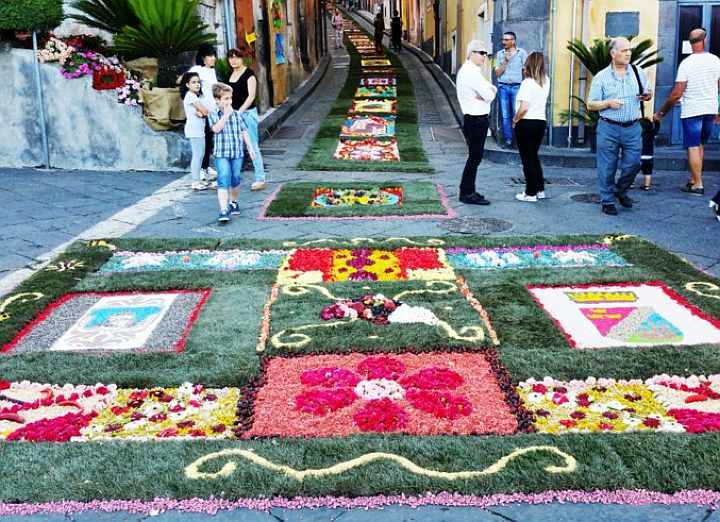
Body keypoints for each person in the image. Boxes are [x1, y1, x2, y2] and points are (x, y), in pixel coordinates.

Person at [587, 37, 652, 216]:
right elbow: (590, 104)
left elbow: (647, 92)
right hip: (608, 127)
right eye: (624, 50)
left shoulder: (638, 72)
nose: (628, 53)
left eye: (629, 50)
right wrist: (607, 103)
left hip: (632, 127)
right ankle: (607, 200)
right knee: (607, 166)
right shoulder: (601, 77)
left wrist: (647, 96)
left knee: (634, 163)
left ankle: (620, 191)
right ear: (613, 53)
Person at [654, 28, 720, 196]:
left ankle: (698, 184)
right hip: (710, 108)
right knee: (700, 145)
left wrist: (661, 112)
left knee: (692, 146)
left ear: (690, 43)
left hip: (692, 110)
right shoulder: (716, 60)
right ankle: (694, 178)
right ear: (705, 40)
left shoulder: (687, 64)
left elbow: (676, 93)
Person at [456, 40, 497, 205]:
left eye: (486, 53)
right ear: (471, 53)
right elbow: (490, 95)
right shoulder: (470, 72)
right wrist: (487, 93)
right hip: (475, 120)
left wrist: (488, 91)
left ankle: (468, 190)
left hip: (475, 119)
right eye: (481, 53)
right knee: (475, 157)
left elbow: (491, 89)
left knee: (475, 157)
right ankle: (466, 192)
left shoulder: (472, 71)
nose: (484, 57)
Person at [227, 48, 266, 191]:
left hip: (247, 114)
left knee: (252, 146)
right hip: (233, 115)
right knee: (234, 147)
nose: (233, 60)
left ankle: (260, 178)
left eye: (236, 57)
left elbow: (251, 96)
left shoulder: (249, 74)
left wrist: (240, 112)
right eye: (231, 57)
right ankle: (231, 177)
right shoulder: (231, 74)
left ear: (242, 58)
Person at [512, 52, 550, 203]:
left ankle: (530, 193)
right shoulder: (546, 81)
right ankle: (540, 189)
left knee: (527, 159)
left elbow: (523, 108)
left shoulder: (527, 83)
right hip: (540, 122)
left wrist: (515, 120)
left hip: (526, 122)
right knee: (534, 157)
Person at [208, 83, 247, 224]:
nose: (229, 102)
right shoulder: (213, 115)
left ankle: (233, 201)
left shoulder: (237, 115)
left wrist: (251, 149)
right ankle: (223, 210)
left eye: (230, 98)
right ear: (217, 100)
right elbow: (216, 129)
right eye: (225, 99)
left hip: (237, 152)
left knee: (235, 178)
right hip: (221, 153)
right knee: (223, 178)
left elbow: (244, 131)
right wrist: (225, 115)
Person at [189, 44, 219, 184]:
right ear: (203, 57)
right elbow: (184, 82)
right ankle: (200, 170)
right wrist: (194, 103)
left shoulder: (212, 71)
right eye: (210, 56)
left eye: (214, 55)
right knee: (202, 142)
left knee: (209, 141)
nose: (213, 58)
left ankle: (206, 167)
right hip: (202, 112)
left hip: (212, 112)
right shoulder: (197, 70)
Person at [494, 32, 527, 147]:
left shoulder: (522, 53)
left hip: (517, 87)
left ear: (513, 41)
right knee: (505, 115)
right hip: (503, 87)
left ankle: (519, 141)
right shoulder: (499, 54)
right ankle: (508, 140)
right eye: (503, 39)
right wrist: (506, 61)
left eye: (507, 40)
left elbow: (525, 71)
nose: (504, 42)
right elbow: (497, 73)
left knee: (517, 113)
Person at [180, 72, 209, 191]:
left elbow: (203, 113)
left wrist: (201, 114)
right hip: (194, 130)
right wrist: (202, 113)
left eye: (198, 82)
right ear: (187, 84)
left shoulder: (194, 96)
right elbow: (206, 111)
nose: (197, 84)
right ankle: (195, 181)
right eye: (193, 82)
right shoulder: (191, 96)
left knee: (200, 155)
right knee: (197, 155)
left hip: (198, 129)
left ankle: (197, 179)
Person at [639, 118, 660, 191]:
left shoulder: (638, 135)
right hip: (649, 157)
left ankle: (631, 184)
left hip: (639, 157)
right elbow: (656, 129)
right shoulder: (651, 134)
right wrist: (657, 122)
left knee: (633, 171)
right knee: (648, 172)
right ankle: (647, 186)